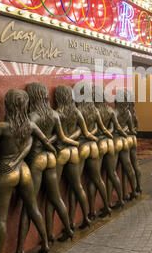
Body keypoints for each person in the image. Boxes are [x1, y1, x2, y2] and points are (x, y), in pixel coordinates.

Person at [0, 89, 55, 253]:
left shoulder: (3, 127)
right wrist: (51, 149)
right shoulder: (29, 125)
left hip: (6, 172)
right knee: (33, 207)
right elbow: (46, 141)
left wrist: (0, 161)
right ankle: (45, 243)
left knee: (1, 219)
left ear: (8, 104)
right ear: (25, 105)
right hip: (25, 171)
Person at [8, 83, 78, 253]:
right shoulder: (54, 114)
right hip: (52, 158)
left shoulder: (32, 116)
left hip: (36, 160)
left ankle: (21, 249)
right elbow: (61, 138)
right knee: (56, 198)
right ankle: (69, 229)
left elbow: (26, 142)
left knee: (28, 206)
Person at [45, 85, 97, 238]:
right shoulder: (77, 112)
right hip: (75, 152)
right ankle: (85, 217)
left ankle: (50, 234)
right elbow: (85, 132)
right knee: (77, 186)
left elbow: (58, 136)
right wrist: (77, 140)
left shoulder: (56, 114)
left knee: (52, 195)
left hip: (61, 152)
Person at [75, 92, 113, 220]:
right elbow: (100, 128)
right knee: (96, 179)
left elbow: (80, 131)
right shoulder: (95, 111)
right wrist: (109, 136)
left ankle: (85, 215)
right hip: (94, 145)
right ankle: (107, 206)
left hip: (81, 147)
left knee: (76, 184)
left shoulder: (77, 111)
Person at [94, 85, 127, 209]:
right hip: (111, 143)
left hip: (99, 144)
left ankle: (105, 205)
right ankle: (120, 198)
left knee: (96, 178)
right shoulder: (110, 110)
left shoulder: (94, 110)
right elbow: (117, 127)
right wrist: (126, 135)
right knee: (112, 173)